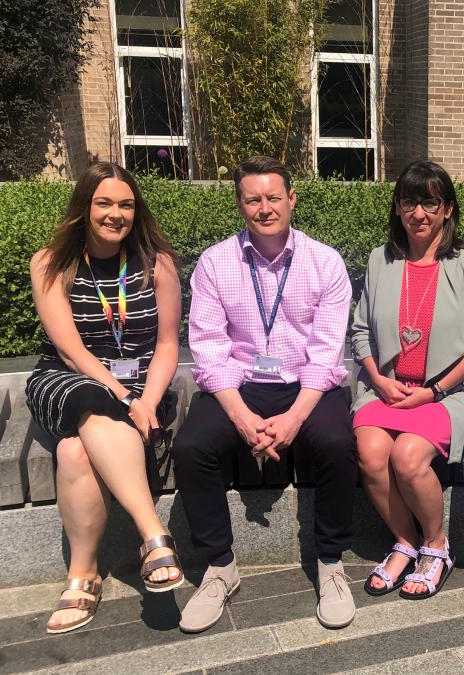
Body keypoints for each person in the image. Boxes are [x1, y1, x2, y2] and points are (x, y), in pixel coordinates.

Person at [172, 156, 357, 633]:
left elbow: (326, 352)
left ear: (291, 199)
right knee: (191, 446)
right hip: (240, 385)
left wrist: (294, 418)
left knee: (337, 442)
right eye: (253, 199)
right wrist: (240, 416)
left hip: (305, 387)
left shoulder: (325, 262)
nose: (265, 208)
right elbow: (208, 349)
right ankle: (220, 567)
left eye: (274, 197)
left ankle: (331, 562)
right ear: (240, 205)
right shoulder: (216, 263)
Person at [25, 161, 183, 634]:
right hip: (70, 380)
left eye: (126, 204)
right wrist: (122, 397)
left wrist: (148, 402)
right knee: (91, 399)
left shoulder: (157, 262)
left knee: (75, 452)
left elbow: (169, 345)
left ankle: (82, 575)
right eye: (105, 203)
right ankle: (153, 533)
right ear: (84, 207)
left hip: (140, 385)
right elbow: (70, 350)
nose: (116, 214)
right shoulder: (51, 262)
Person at [351, 161, 464, 600]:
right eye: (410, 201)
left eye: (430, 202)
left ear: (448, 209)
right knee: (371, 450)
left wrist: (432, 392)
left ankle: (436, 546)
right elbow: (361, 330)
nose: (419, 212)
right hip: (387, 386)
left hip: (446, 393)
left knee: (408, 456)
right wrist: (378, 379)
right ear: (397, 208)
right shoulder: (382, 260)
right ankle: (404, 541)